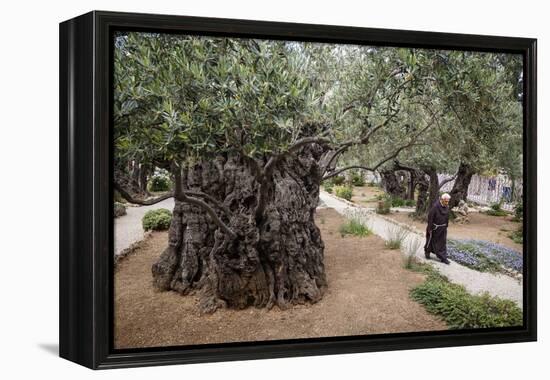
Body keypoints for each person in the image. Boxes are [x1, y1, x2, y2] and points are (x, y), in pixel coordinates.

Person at [424, 193, 451, 264]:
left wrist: (446, 226)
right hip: (434, 228)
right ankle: (427, 252)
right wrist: (429, 228)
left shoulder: (447, 207)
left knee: (442, 243)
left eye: (448, 201)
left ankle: (443, 257)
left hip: (443, 228)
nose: (447, 203)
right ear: (442, 200)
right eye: (446, 201)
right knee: (430, 241)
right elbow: (430, 218)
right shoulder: (435, 207)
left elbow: (447, 217)